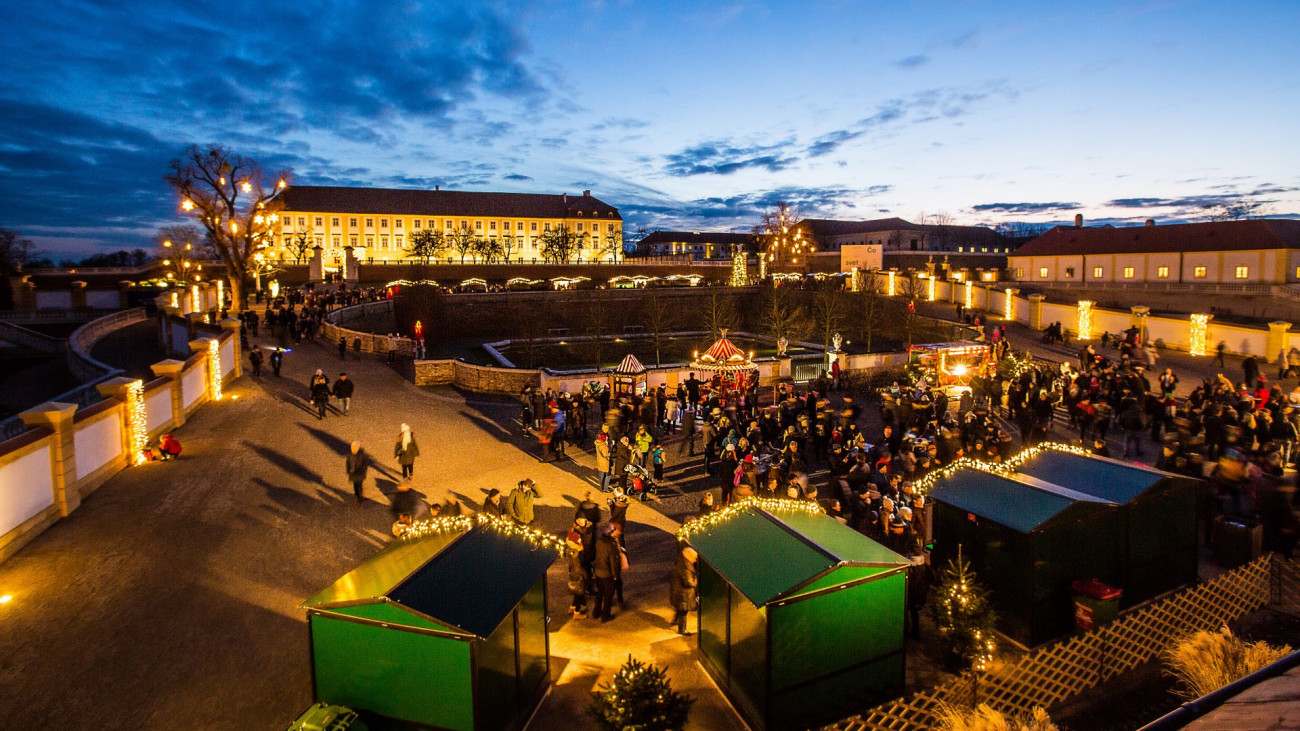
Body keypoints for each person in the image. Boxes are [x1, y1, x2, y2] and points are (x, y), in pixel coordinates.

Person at [592, 523, 622, 622]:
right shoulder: (610, 545)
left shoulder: (599, 542)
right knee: (608, 597)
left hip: (598, 573)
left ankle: (596, 613)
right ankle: (605, 616)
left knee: (599, 594)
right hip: (607, 574)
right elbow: (613, 562)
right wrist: (615, 575)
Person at [669, 544, 699, 635]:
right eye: (694, 558)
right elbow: (689, 582)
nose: (695, 560)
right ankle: (682, 629)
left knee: (680, 608)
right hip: (683, 593)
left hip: (678, 591)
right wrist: (696, 580)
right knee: (683, 611)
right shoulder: (686, 568)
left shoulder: (682, 561)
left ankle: (675, 620)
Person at [595, 427, 613, 492]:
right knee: (608, 475)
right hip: (605, 461)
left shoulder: (598, 444)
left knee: (601, 474)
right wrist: (609, 454)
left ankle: (602, 487)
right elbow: (605, 454)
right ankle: (605, 488)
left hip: (600, 461)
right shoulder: (602, 445)